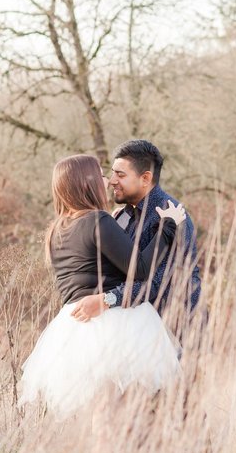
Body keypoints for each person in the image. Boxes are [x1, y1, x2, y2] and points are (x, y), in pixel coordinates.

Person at [17, 154, 187, 419]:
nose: (107, 181)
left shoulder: (57, 229)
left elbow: (88, 270)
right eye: (101, 175)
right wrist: (167, 227)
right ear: (87, 182)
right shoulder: (97, 221)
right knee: (119, 411)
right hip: (113, 323)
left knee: (102, 412)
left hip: (73, 328)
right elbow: (140, 268)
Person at [70, 140, 202, 335]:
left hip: (174, 328)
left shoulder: (171, 216)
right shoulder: (122, 216)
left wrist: (106, 300)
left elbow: (157, 283)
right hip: (135, 328)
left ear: (145, 178)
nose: (112, 180)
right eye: (113, 172)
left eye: (120, 174)